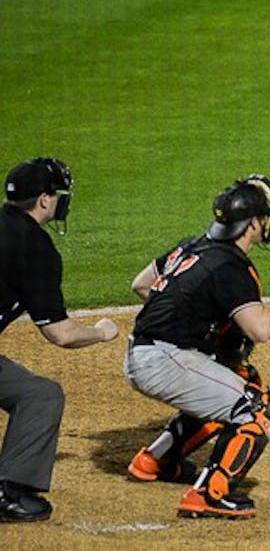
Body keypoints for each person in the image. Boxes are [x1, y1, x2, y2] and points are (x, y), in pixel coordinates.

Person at [122, 174, 270, 519]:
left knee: (237, 378)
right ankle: (209, 493)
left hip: (145, 352)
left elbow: (141, 284)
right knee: (257, 409)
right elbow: (261, 330)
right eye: (264, 217)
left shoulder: (191, 245)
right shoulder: (232, 265)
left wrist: (190, 317)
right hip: (164, 360)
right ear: (253, 223)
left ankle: (156, 460)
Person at [0, 158, 120, 523]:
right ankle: (10, 494)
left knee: (36, 392)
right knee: (41, 395)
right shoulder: (34, 248)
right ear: (44, 200)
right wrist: (101, 332)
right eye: (59, 194)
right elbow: (61, 333)